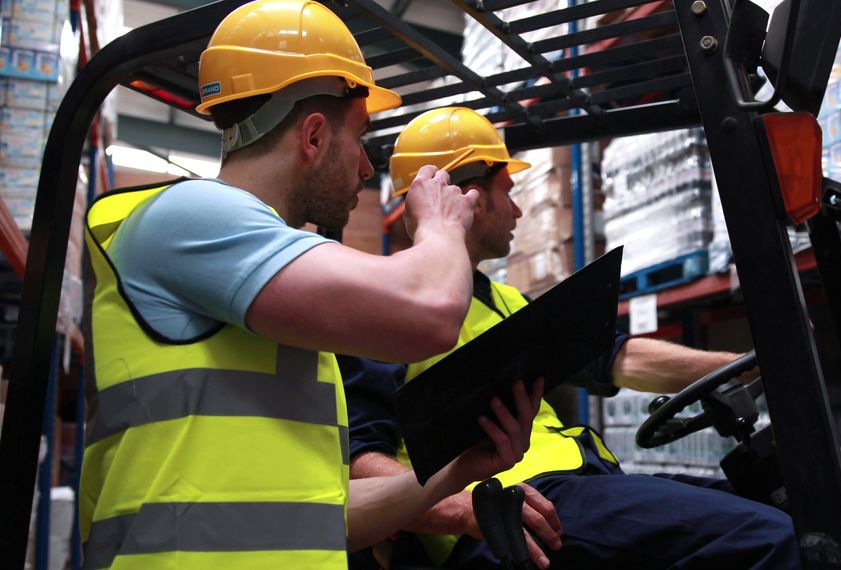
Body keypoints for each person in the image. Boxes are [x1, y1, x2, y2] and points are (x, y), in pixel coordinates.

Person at [78, 3, 542, 569]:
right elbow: (431, 313)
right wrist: (442, 227)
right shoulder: (188, 218)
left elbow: (327, 515)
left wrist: (458, 471)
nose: (368, 169)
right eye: (361, 137)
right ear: (315, 136)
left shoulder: (282, 308)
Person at [341, 107, 801, 569]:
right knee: (769, 539)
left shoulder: (506, 301)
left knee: (787, 507)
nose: (518, 210)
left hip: (578, 484)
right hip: (513, 515)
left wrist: (754, 361)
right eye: (509, 193)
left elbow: (615, 359)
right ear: (475, 199)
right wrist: (464, 509)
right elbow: (361, 459)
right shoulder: (388, 303)